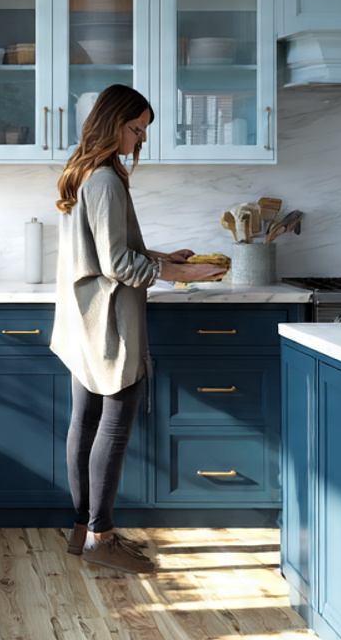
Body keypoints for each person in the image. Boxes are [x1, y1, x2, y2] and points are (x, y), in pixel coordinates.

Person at [51, 85, 225, 573]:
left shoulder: (84, 171)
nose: (141, 138)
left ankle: (84, 529)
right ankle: (101, 539)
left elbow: (110, 248)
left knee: (84, 422)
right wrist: (181, 275)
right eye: (136, 128)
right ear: (112, 124)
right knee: (113, 425)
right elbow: (117, 263)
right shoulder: (106, 178)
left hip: (83, 318)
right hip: (109, 323)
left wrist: (162, 257)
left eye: (144, 129)